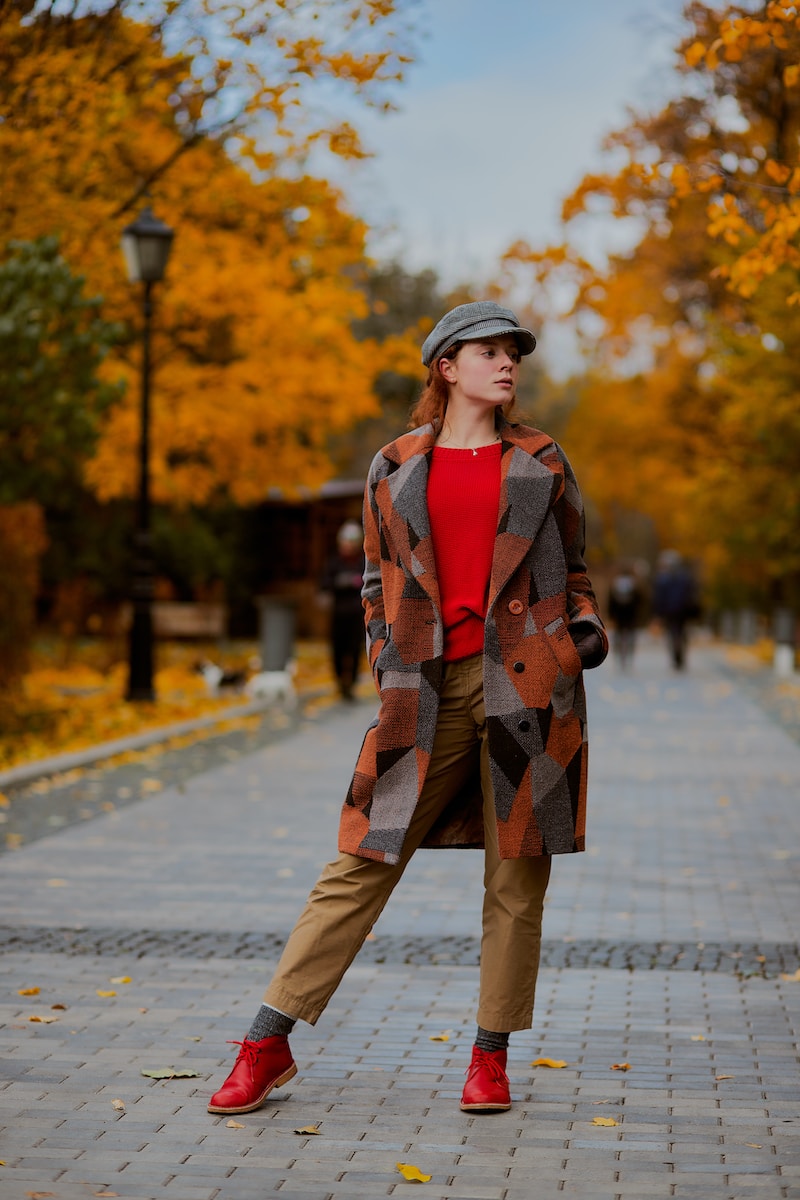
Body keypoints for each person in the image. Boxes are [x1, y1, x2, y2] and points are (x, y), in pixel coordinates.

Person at [207, 301, 608, 1117]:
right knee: (359, 860)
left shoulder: (541, 460)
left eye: (513, 355)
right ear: (446, 368)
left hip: (528, 684)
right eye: (489, 353)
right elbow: (373, 581)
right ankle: (266, 1040)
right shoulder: (392, 466)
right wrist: (386, 657)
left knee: (516, 874)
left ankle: (489, 1058)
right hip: (420, 690)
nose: (507, 366)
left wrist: (580, 639)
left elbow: (576, 571)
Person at [321, 520, 365, 700]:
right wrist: (341, 583)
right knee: (338, 649)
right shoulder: (334, 563)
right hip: (338, 614)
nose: (348, 546)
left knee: (355, 649)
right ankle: (340, 681)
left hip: (357, 614)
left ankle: (351, 683)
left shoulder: (363, 562)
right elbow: (325, 585)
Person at [652, 549, 699, 670]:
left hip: (670, 610)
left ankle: (676, 653)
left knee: (673, 633)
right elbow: (692, 593)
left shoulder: (663, 578)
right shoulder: (685, 576)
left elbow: (659, 597)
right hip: (682, 610)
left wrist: (658, 613)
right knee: (681, 632)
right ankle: (680, 653)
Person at [608, 563, 645, 671]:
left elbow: (611, 602)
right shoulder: (634, 585)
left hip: (619, 615)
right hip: (631, 615)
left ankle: (619, 657)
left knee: (619, 636)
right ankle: (629, 655)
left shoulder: (615, 584)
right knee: (630, 637)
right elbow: (640, 600)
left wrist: (611, 614)